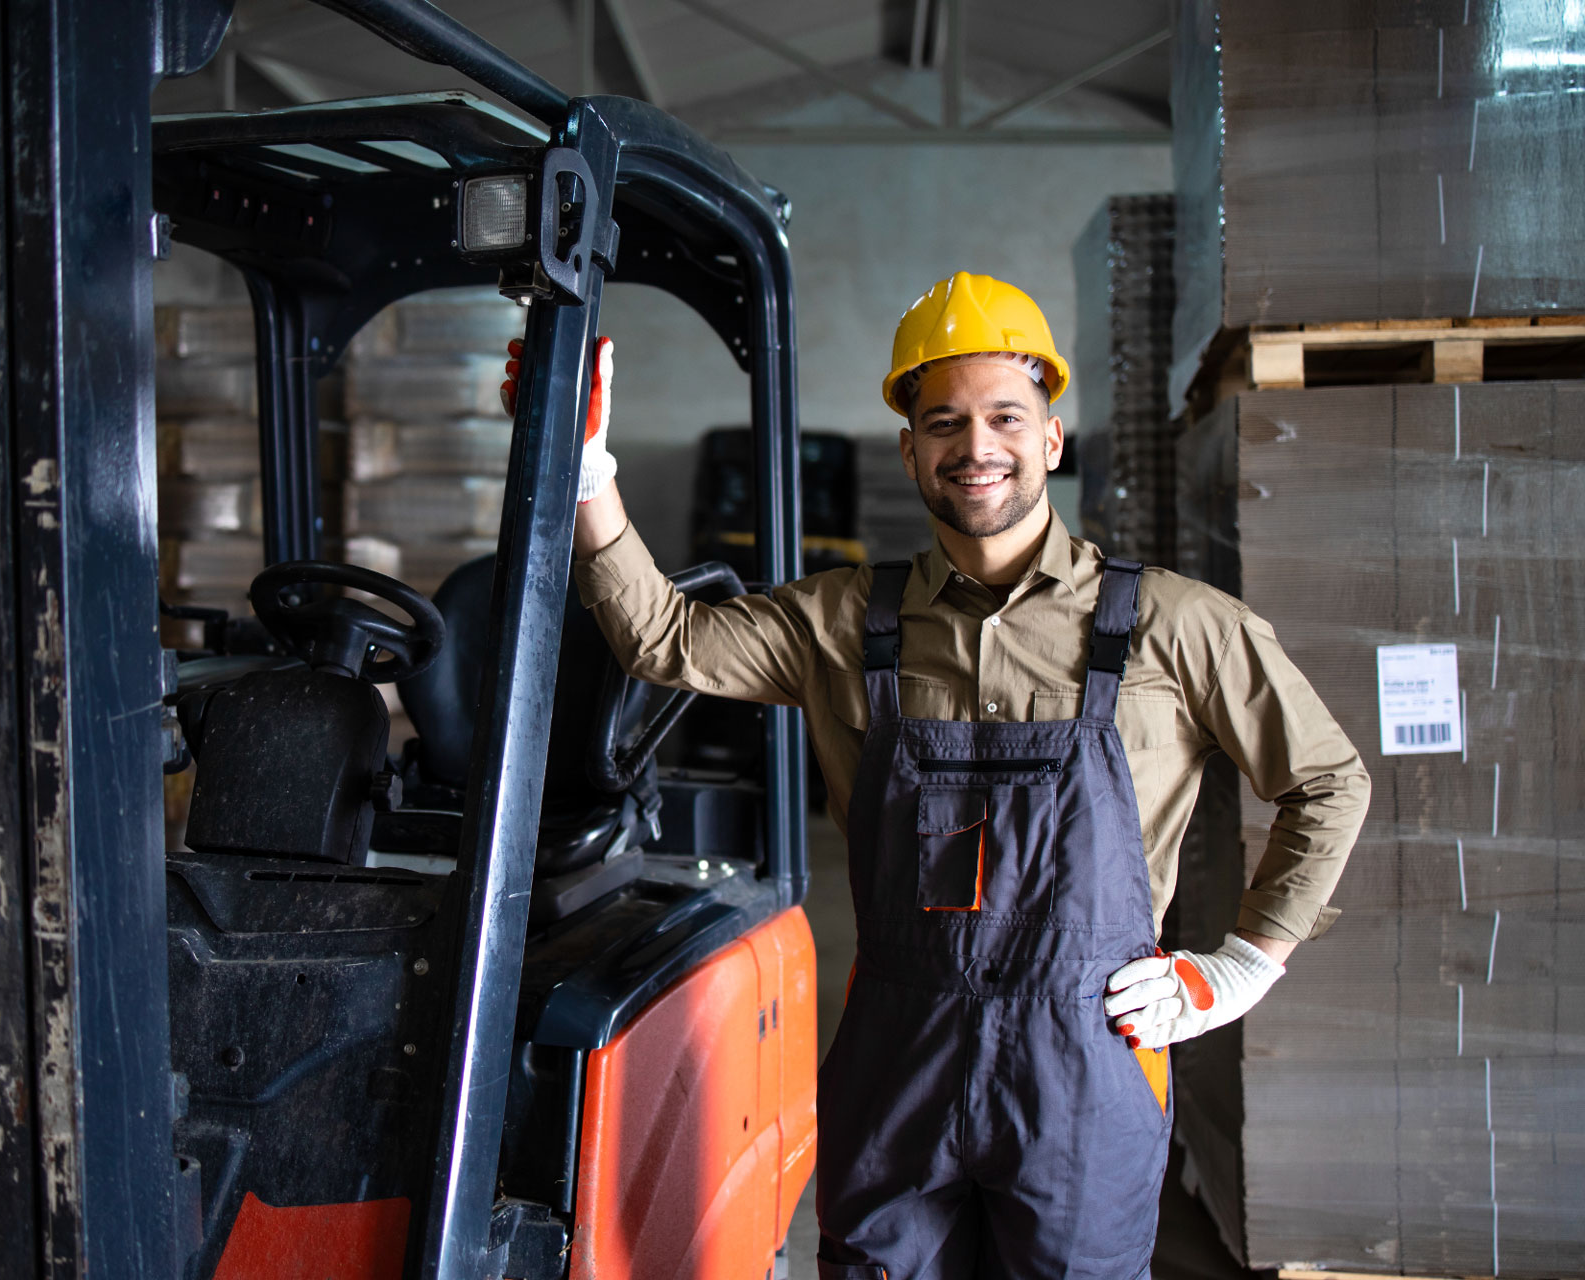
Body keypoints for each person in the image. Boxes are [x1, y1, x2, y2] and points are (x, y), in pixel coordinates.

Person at [501, 271, 1371, 1280]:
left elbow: (1327, 778)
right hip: (900, 1052)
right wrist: (586, 471)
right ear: (911, 449)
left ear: (1051, 437)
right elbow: (665, 640)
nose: (976, 445)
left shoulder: (1174, 624)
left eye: (1006, 415)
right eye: (943, 421)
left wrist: (1242, 965)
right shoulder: (844, 622)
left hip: (1086, 1058)